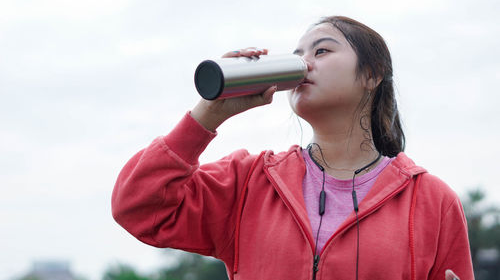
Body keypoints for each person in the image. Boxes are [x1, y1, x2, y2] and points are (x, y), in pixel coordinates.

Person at [111, 16, 474, 280]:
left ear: (371, 74)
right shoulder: (248, 182)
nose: (304, 64)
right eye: (297, 55)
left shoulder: (431, 202)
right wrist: (207, 114)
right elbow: (138, 208)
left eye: (321, 50)